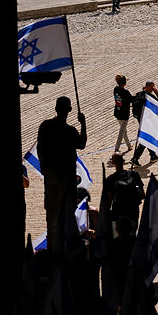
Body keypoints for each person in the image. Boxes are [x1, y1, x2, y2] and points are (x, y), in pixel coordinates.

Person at [37, 96, 87, 254]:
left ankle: (53, 251)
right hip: (66, 179)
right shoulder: (70, 131)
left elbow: (40, 149)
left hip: (52, 178)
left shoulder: (45, 126)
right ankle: (64, 252)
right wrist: (83, 124)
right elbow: (82, 144)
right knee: (65, 217)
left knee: (52, 218)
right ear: (69, 111)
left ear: (56, 109)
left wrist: (44, 168)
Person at [104, 152, 145, 235]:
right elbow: (142, 195)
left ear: (112, 163)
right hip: (133, 214)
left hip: (118, 217)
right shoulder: (134, 175)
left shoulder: (111, 179)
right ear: (123, 161)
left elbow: (108, 202)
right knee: (132, 240)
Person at [130, 81, 158, 166]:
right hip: (148, 120)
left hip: (140, 119)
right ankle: (135, 158)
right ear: (148, 87)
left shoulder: (138, 94)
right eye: (152, 87)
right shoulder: (150, 97)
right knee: (146, 139)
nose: (153, 88)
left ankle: (153, 155)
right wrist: (157, 93)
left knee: (148, 137)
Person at [113, 74, 133, 153]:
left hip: (117, 112)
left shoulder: (116, 89)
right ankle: (116, 148)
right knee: (122, 131)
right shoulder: (126, 92)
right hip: (124, 114)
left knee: (123, 130)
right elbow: (132, 100)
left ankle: (129, 146)